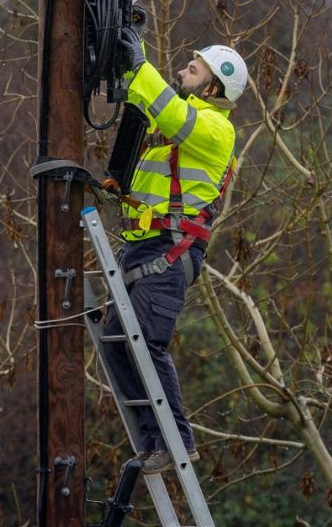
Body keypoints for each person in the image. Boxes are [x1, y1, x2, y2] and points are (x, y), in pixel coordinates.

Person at [101, 29, 247, 474]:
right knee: (114, 343)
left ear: (212, 87)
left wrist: (140, 63)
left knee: (147, 340)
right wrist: (126, 64)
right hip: (142, 248)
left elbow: (167, 109)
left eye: (194, 68)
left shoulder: (215, 129)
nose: (183, 69)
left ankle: (175, 443)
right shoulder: (179, 125)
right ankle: (151, 438)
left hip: (169, 251)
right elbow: (151, 106)